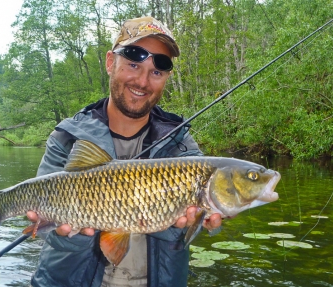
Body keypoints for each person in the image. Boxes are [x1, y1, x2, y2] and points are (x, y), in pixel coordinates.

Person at [28, 16, 222, 287]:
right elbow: (50, 234)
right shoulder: (68, 137)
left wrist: (199, 223)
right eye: (133, 64)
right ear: (110, 63)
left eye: (157, 71)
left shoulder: (181, 145)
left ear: (165, 77)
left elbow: (198, 222)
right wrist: (75, 232)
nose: (143, 81)